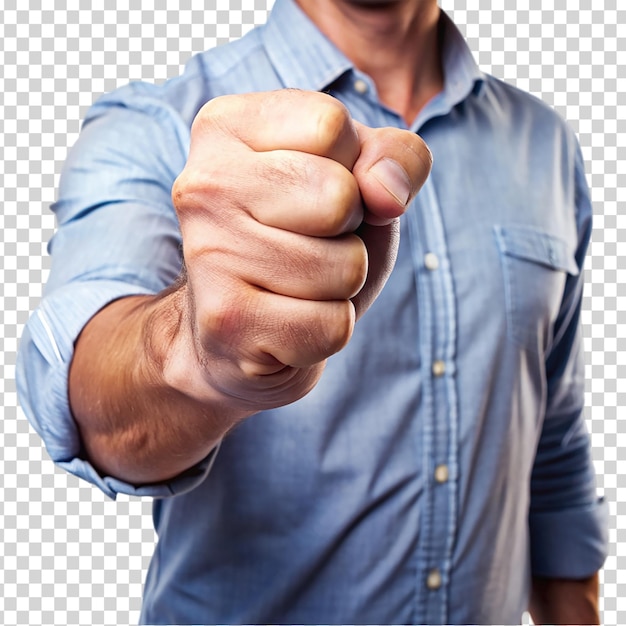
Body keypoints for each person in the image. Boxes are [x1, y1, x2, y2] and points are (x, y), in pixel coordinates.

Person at [16, 0, 608, 623]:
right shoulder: (157, 121)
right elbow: (90, 395)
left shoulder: (545, 143)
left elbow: (552, 439)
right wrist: (197, 354)